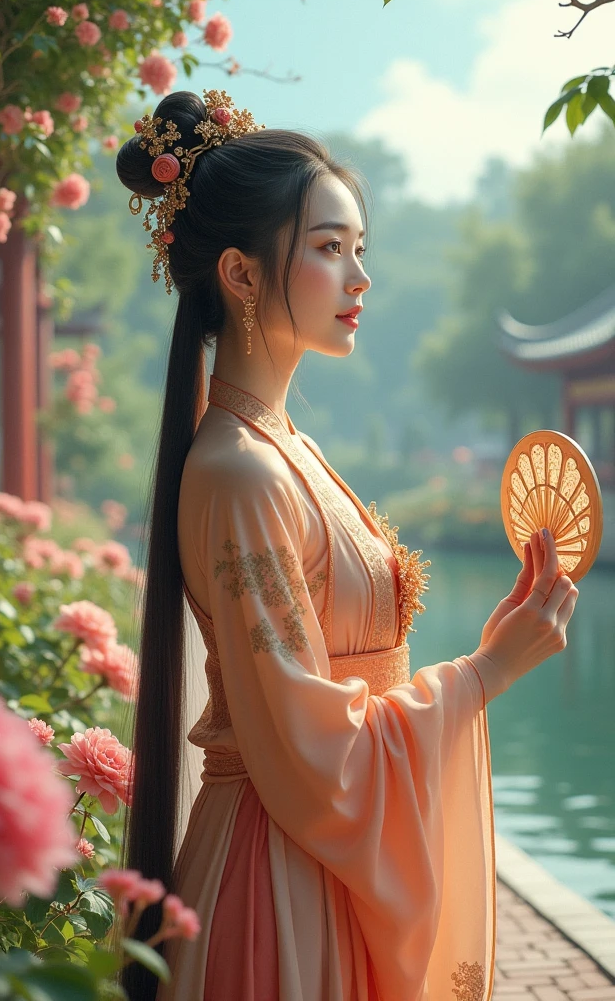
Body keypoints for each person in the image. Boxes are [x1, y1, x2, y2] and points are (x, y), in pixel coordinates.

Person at [115, 89, 579, 1001]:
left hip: (311, 857)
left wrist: (494, 643)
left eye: (359, 248)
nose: (360, 277)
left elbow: (337, 688)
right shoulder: (243, 470)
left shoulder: (287, 449)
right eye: (330, 249)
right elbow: (305, 746)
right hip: (279, 876)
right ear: (242, 277)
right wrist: (486, 672)